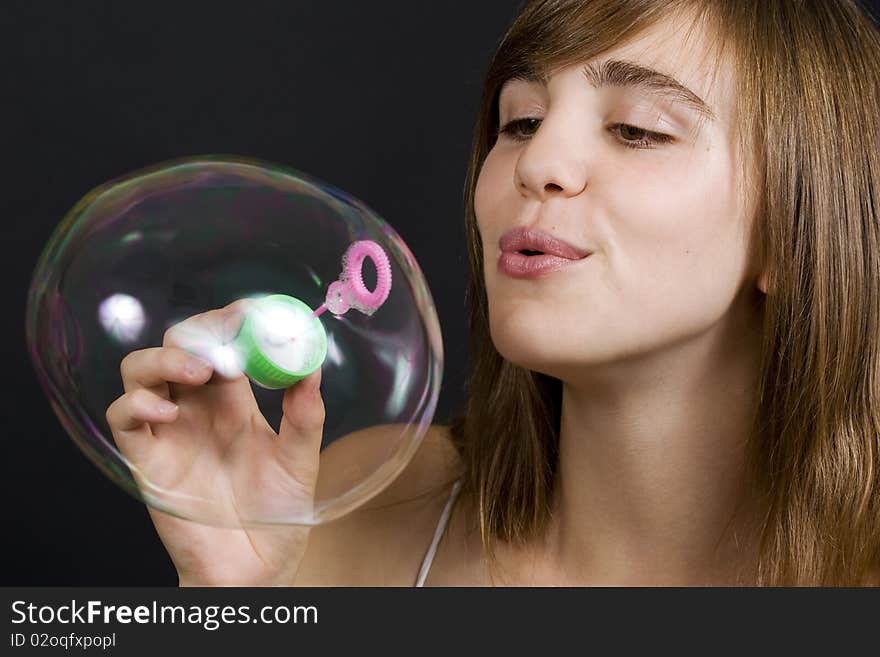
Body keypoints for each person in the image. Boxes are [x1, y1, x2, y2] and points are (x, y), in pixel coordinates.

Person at [105, 0, 880, 586]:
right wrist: (234, 599)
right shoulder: (354, 508)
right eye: (521, 119)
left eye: (638, 130)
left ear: (795, 231)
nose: (538, 159)